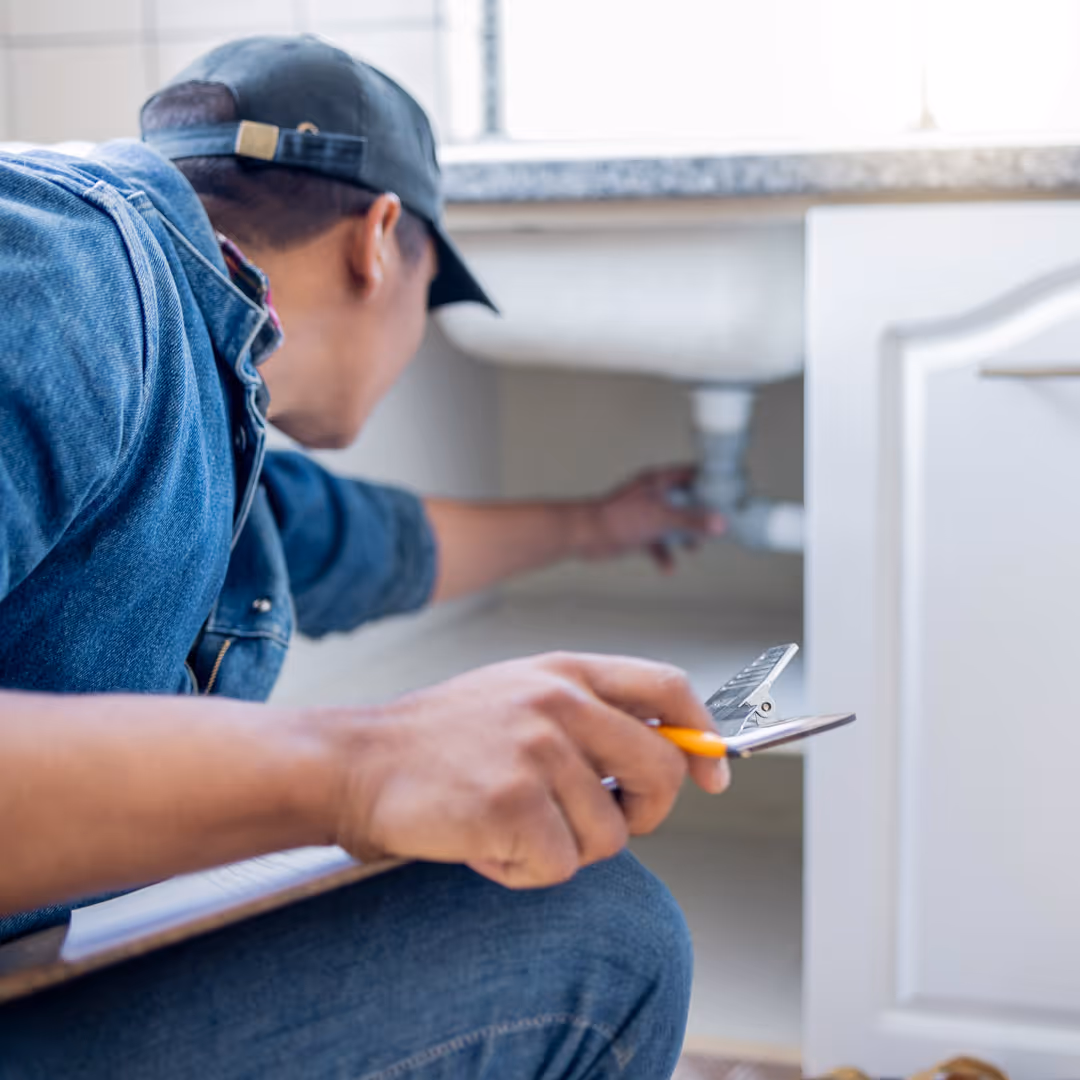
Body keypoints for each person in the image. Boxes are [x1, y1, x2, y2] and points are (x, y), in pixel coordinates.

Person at [0, 35, 730, 1079]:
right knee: (601, 941)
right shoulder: (67, 270)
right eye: (430, 301)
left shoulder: (200, 412)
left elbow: (379, 546)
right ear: (381, 240)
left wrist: (594, 526)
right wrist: (365, 766)